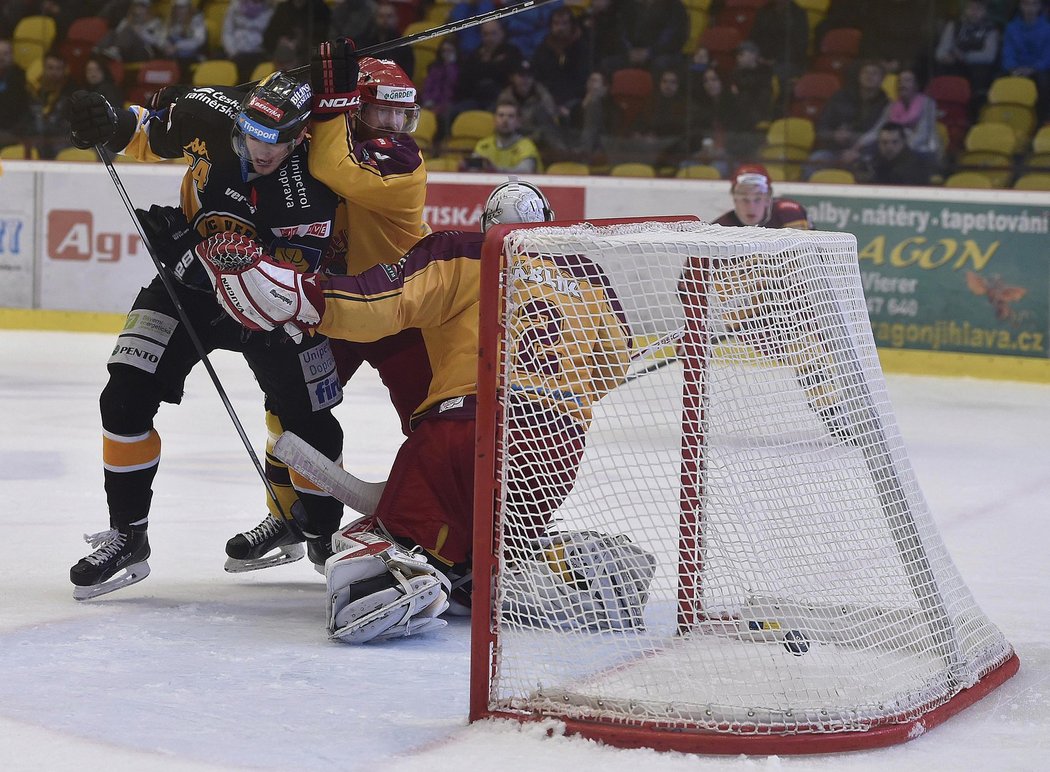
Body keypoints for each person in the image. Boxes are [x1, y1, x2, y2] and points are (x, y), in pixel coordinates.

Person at [198, 179, 652, 643]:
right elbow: (611, 368)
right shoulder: (589, 277)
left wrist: (305, 297)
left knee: (392, 534)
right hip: (556, 445)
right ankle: (569, 571)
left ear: (487, 225)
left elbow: (382, 302)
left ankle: (393, 582)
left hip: (463, 428)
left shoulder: (466, 252)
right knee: (493, 542)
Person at [65, 72, 345, 600]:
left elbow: (281, 287)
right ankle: (128, 535)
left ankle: (320, 533)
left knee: (309, 424)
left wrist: (193, 254)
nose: (264, 151)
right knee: (123, 395)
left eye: (277, 141)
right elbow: (144, 132)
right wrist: (106, 119)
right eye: (254, 136)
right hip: (185, 291)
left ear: (300, 136)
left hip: (272, 306)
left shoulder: (311, 191)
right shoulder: (205, 113)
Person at [222, 43, 432, 571]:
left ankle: (435, 521)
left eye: (401, 112)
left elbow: (330, 165)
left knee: (430, 422)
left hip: (401, 312)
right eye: (381, 110)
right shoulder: (325, 130)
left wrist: (332, 100)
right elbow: (278, 123)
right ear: (358, 109)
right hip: (335, 306)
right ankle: (292, 516)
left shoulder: (402, 159)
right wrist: (307, 85)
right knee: (289, 410)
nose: (394, 124)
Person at [842, 68, 941, 173]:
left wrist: (896, 151)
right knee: (865, 153)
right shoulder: (891, 106)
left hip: (921, 150)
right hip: (895, 150)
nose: (902, 85)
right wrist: (857, 146)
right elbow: (877, 130)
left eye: (907, 81)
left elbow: (922, 135)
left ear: (916, 85)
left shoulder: (928, 104)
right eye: (899, 81)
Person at [807, 60, 889, 175]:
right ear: (859, 76)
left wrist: (857, 150)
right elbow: (821, 129)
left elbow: (882, 137)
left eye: (874, 73)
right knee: (816, 159)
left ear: (882, 79)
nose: (869, 76)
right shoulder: (839, 98)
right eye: (865, 72)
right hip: (835, 151)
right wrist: (834, 135)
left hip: (865, 155)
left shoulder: (887, 105)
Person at [933, 0, 1000, 107]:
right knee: (942, 69)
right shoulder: (954, 25)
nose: (974, 12)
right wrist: (944, 57)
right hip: (954, 64)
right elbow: (941, 51)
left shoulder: (990, 29)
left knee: (981, 73)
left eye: (978, 9)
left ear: (985, 12)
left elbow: (989, 56)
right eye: (971, 8)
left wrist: (965, 57)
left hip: (976, 69)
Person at [714, 163, 811, 229]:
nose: (751, 207)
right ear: (734, 198)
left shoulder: (790, 213)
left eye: (757, 199)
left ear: (768, 199)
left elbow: (805, 255)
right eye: (744, 199)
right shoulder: (720, 228)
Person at [1001, 0, 1050, 122]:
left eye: (1034, 4)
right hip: (1015, 68)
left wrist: (1032, 69)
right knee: (1001, 80)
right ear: (1020, 6)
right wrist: (1013, 68)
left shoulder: (1047, 29)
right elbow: (1008, 52)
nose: (1030, 8)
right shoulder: (1011, 28)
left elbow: (1047, 56)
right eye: (1026, 4)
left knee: (1043, 82)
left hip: (1038, 70)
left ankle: (1041, 119)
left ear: (1039, 7)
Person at [25, 50, 76, 159]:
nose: (54, 72)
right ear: (44, 68)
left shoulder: (72, 92)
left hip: (61, 140)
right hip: (36, 138)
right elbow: (26, 117)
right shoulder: (33, 91)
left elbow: (71, 123)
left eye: (58, 68)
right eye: (50, 68)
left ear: (64, 70)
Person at [469, 100, 543, 173]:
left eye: (511, 116)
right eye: (501, 115)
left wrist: (496, 170)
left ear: (519, 122)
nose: (505, 120)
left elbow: (525, 171)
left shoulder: (526, 146)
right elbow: (472, 170)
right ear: (494, 120)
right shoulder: (483, 145)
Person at [854, 120, 934, 185]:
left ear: (903, 142)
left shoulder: (916, 165)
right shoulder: (874, 162)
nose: (889, 147)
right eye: (884, 142)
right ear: (878, 143)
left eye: (895, 142)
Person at [222, 0, 275, 82]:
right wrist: (232, 52)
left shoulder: (270, 9)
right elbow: (227, 31)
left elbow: (271, 35)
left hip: (259, 53)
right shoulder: (235, 6)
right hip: (235, 52)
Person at [95, 0, 163, 63]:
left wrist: (141, 33)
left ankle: (117, 50)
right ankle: (98, 50)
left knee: (129, 30)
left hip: (144, 51)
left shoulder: (155, 22)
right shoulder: (127, 20)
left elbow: (157, 41)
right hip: (126, 51)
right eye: (137, 6)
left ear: (148, 9)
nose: (139, 10)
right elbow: (118, 34)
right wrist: (128, 26)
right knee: (112, 32)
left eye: (142, 7)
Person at [159, 0, 208, 80]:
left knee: (180, 65)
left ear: (189, 8)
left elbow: (198, 41)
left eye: (182, 8)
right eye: (177, 8)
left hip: (193, 56)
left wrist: (177, 47)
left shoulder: (197, 20)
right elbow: (163, 38)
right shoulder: (171, 22)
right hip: (174, 56)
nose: (179, 11)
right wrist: (166, 45)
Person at [0, 38, 30, 147]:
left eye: (5, 54)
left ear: (12, 56)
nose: (1, 58)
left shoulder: (20, 78)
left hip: (12, 132)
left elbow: (24, 111)